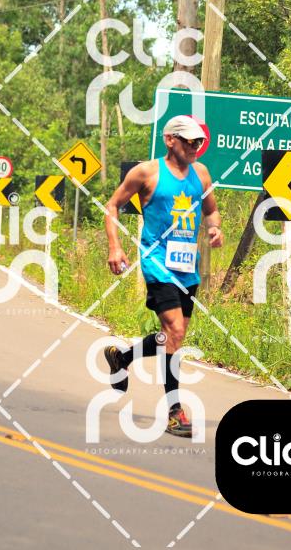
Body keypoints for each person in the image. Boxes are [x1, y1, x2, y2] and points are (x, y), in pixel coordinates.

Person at [104, 115, 223, 437]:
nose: (196, 147)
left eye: (199, 142)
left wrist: (214, 228)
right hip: (157, 263)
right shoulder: (146, 173)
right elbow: (112, 206)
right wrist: (115, 247)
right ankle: (174, 412)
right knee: (175, 330)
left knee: (171, 336)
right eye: (189, 141)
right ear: (170, 140)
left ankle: (122, 357)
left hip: (188, 266)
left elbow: (211, 209)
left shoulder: (201, 173)